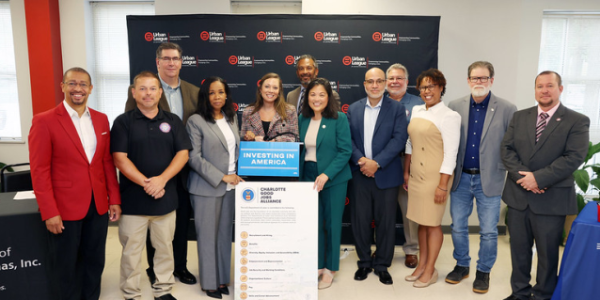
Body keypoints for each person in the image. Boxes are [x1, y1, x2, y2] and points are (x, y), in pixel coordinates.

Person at [29, 67, 121, 300]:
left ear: (90, 89)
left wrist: (114, 199)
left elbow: (106, 162)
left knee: (94, 260)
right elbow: (40, 171)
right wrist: (49, 211)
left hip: (98, 205)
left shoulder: (101, 119)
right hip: (64, 208)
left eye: (83, 84)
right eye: (72, 83)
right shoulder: (44, 121)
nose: (77, 89)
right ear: (62, 87)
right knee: (65, 265)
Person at [501, 71, 589, 300]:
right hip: (519, 197)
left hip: (551, 200)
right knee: (518, 252)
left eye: (550, 85)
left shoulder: (577, 121)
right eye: (540, 86)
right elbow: (506, 150)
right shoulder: (520, 117)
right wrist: (525, 179)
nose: (545, 90)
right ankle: (519, 293)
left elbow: (573, 157)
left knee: (548, 255)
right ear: (535, 90)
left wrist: (537, 179)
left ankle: (543, 295)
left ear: (560, 89)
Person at [111, 71, 192, 300]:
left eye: (153, 88)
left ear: (159, 92)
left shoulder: (173, 121)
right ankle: (131, 293)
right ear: (134, 92)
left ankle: (163, 290)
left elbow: (183, 154)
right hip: (133, 202)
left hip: (166, 199)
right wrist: (147, 183)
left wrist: (162, 180)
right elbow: (120, 158)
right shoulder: (123, 122)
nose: (148, 93)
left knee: (165, 249)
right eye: (143, 88)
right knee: (131, 253)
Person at [124, 42, 199, 285]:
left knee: (178, 222)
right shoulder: (143, 89)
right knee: (151, 223)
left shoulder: (193, 92)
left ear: (181, 62)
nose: (171, 63)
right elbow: (132, 129)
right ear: (158, 62)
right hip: (150, 173)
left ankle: (180, 266)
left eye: (175, 58)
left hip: (184, 170)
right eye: (166, 58)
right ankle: (154, 269)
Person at [446, 61, 517, 294]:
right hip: (461, 179)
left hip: (491, 179)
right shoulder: (454, 106)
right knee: (457, 227)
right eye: (475, 78)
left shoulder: (507, 108)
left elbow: (512, 145)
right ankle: (462, 265)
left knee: (488, 230)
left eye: (483, 78)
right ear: (468, 80)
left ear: (491, 81)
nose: (479, 82)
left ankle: (483, 271)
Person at [347, 67, 408, 285]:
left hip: (386, 174)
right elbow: (349, 141)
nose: (374, 85)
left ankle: (382, 265)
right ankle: (364, 262)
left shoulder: (397, 109)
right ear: (364, 84)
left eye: (378, 81)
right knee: (360, 222)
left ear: (384, 84)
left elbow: (399, 140)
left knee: (386, 223)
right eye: (370, 82)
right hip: (359, 174)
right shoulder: (353, 110)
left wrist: (377, 163)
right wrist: (363, 162)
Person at [186, 77, 244, 299]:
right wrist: (222, 177)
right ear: (205, 96)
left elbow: (234, 151)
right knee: (207, 236)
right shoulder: (196, 121)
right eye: (212, 93)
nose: (217, 97)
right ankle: (209, 283)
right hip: (206, 187)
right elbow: (194, 157)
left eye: (221, 92)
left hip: (230, 187)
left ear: (226, 94)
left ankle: (222, 279)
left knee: (222, 236)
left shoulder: (231, 118)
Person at [404, 68, 460, 288]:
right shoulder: (417, 110)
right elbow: (410, 143)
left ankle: (430, 269)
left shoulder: (450, 116)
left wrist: (443, 186)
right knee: (421, 221)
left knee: (433, 223)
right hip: (417, 175)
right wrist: (406, 172)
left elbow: (451, 153)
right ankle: (421, 266)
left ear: (441, 88)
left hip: (436, 177)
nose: (427, 91)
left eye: (432, 86)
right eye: (423, 87)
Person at [298, 78, 352, 289]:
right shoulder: (302, 118)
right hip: (308, 175)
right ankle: (318, 264)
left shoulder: (339, 118)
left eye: (321, 94)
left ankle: (330, 269)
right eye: (313, 94)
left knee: (331, 224)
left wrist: (326, 174)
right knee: (315, 224)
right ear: (307, 97)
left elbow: (345, 151)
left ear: (328, 97)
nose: (317, 99)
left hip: (333, 178)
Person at [385, 63, 424, 269]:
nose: (394, 82)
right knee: (383, 208)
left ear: (407, 82)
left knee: (409, 209)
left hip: (410, 162)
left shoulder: (419, 104)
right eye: (391, 78)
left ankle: (411, 250)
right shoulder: (378, 103)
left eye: (399, 78)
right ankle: (384, 249)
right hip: (384, 163)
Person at [242, 72, 298, 142]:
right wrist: (251, 138)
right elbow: (242, 140)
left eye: (275, 88)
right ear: (260, 89)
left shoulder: (290, 111)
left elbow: (295, 139)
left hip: (280, 152)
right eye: (267, 87)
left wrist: (276, 140)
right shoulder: (248, 112)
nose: (271, 91)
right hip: (256, 152)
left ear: (279, 92)